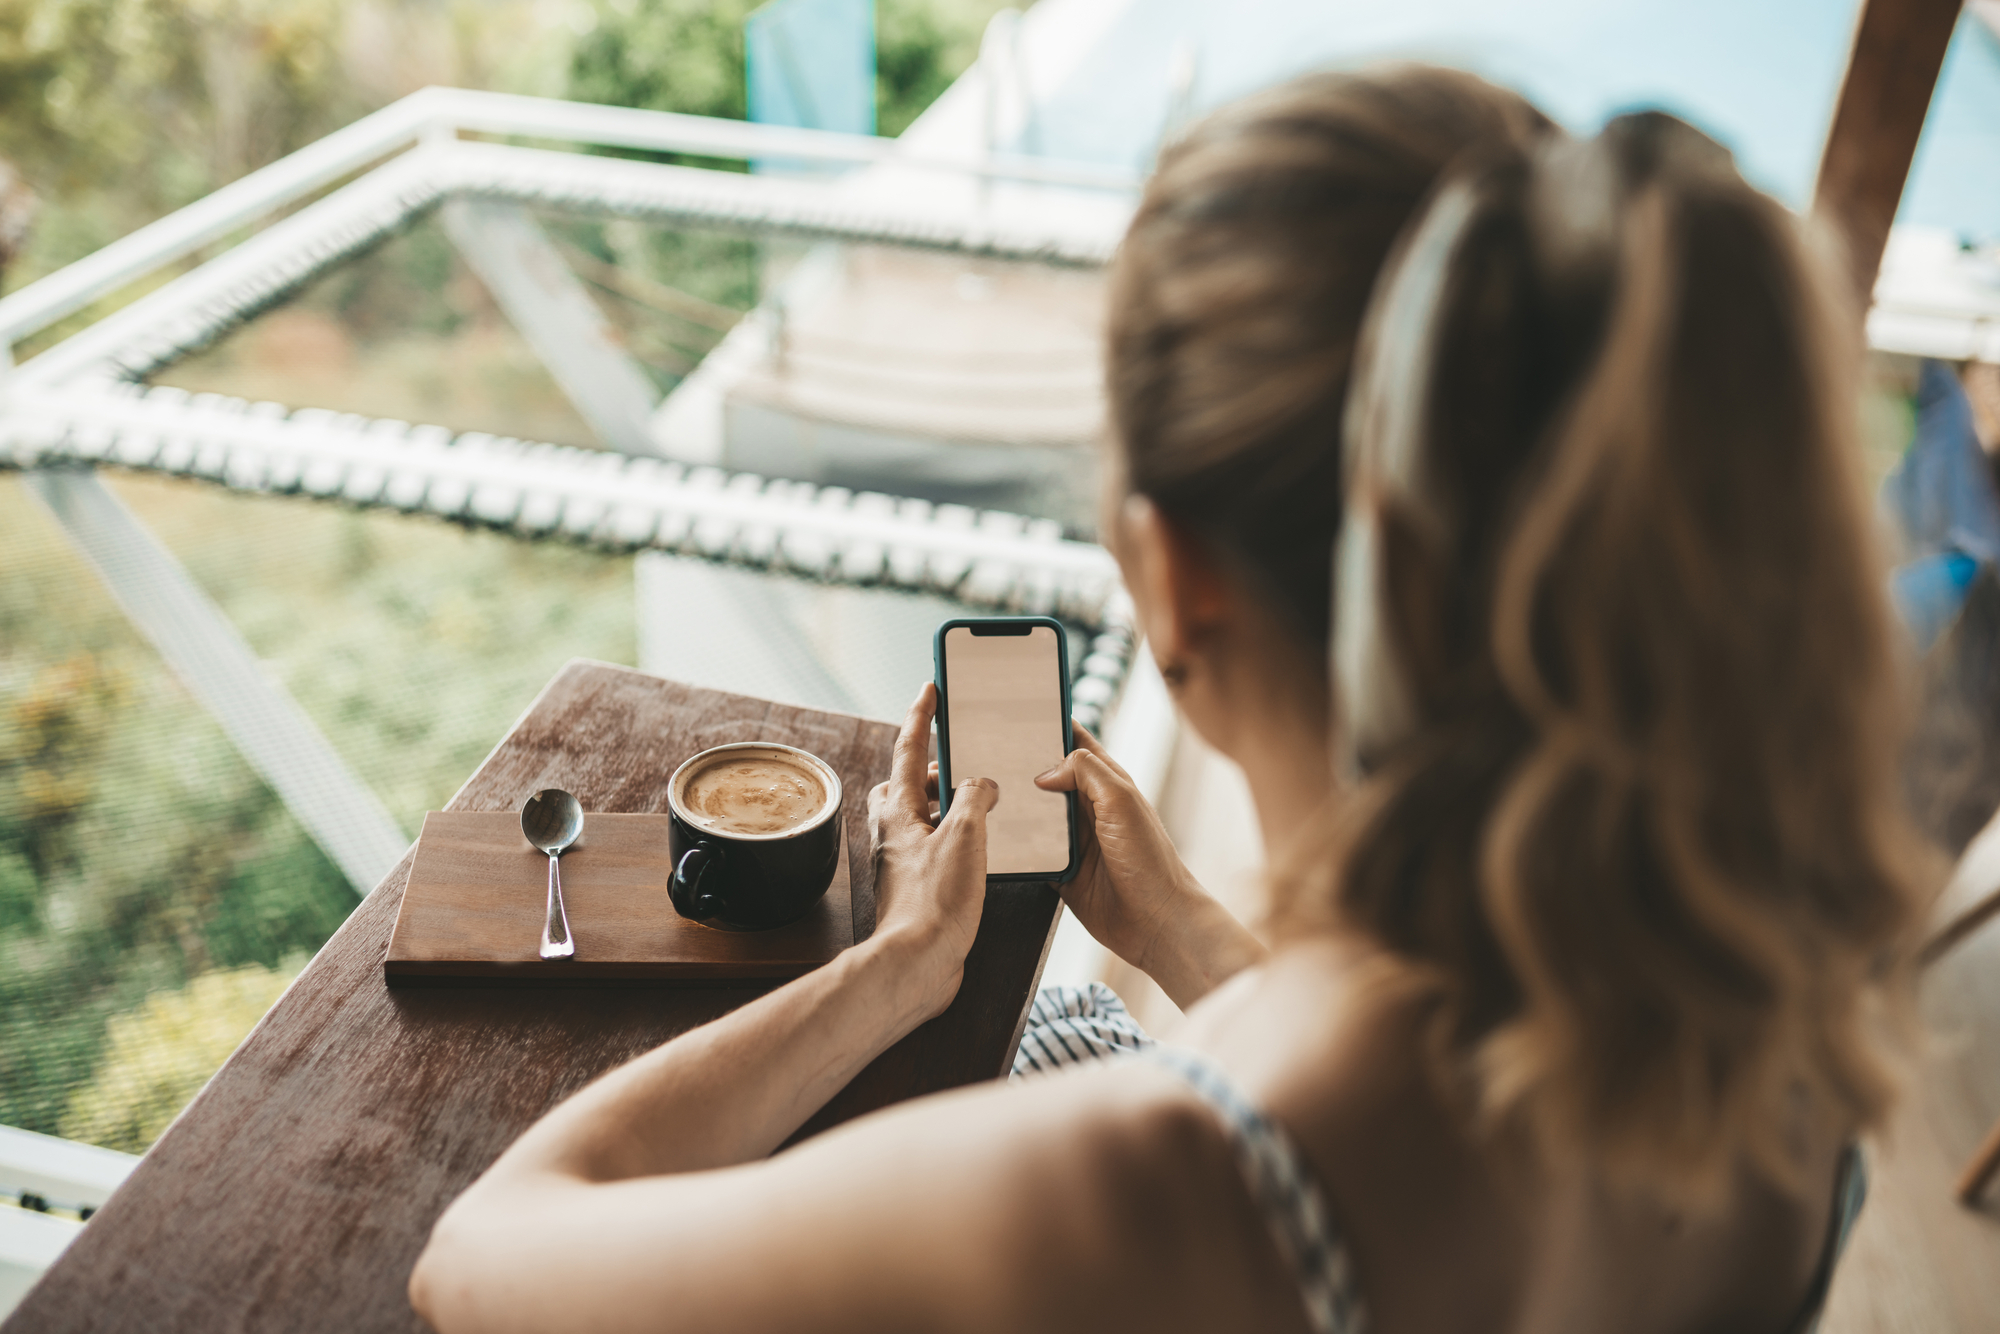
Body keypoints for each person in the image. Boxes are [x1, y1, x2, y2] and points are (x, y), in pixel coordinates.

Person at [409, 67, 1926, 1334]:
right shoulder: (1778, 1014)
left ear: (1176, 579)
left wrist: (891, 967)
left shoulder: (1155, 1195)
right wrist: (1194, 936)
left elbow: (483, 1256)